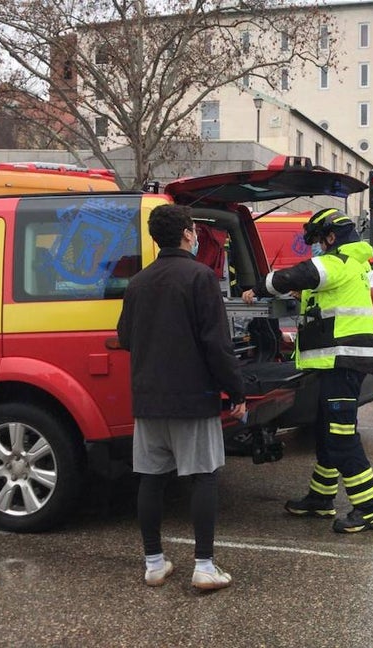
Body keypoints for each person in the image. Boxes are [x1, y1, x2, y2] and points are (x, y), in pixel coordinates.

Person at [116, 204, 246, 591]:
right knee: (203, 476)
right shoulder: (200, 277)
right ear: (189, 234)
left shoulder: (138, 282)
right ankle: (204, 565)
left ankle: (154, 562)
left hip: (149, 399)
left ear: (157, 238)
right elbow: (216, 344)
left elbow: (125, 337)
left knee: (151, 480)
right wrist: (235, 391)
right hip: (193, 398)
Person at [241, 208, 373, 533]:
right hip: (335, 363)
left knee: (341, 437)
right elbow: (319, 293)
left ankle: (369, 509)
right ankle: (321, 499)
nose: (315, 248)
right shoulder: (352, 265)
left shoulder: (338, 262)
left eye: (317, 242)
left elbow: (297, 274)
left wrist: (258, 287)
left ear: (331, 238)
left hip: (343, 364)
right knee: (325, 431)